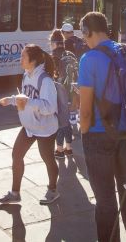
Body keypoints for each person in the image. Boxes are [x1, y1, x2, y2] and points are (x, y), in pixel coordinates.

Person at [78, 11, 126, 242]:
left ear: (87, 31)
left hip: (98, 134)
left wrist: (83, 131)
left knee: (105, 198)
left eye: (83, 34)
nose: (83, 39)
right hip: (125, 129)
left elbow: (85, 109)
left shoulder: (88, 59)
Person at [0, 44, 60, 205]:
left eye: (23, 56)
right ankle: (15, 193)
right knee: (16, 156)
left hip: (45, 128)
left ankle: (53, 190)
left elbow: (50, 107)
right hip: (29, 126)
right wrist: (11, 100)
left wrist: (28, 101)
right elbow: (23, 98)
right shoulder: (26, 75)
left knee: (48, 159)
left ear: (33, 60)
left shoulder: (45, 80)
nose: (20, 59)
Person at [50, 29, 75, 157]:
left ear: (53, 42)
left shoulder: (53, 56)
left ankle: (59, 149)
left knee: (60, 121)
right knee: (67, 120)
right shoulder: (70, 54)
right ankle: (69, 147)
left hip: (58, 91)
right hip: (70, 91)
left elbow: (49, 76)